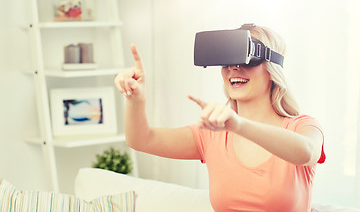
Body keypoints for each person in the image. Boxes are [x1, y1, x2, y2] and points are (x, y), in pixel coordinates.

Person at [114, 24, 326, 212]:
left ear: (272, 68)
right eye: (227, 60)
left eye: (247, 58)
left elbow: (306, 152)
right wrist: (136, 99)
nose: (234, 67)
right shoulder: (212, 134)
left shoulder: (303, 126)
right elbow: (141, 139)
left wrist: (239, 125)